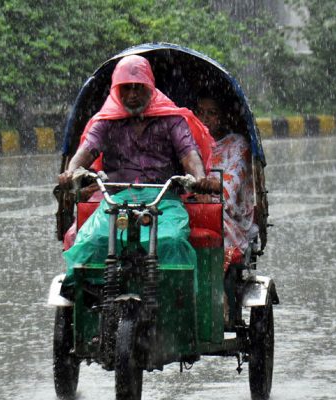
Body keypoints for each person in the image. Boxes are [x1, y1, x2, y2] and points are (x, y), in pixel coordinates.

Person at [58, 55, 217, 280]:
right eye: (126, 88)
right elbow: (84, 152)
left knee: (171, 241)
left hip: (164, 202)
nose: (132, 94)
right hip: (116, 203)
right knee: (91, 242)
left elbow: (189, 155)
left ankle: (177, 296)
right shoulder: (106, 122)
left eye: (138, 87)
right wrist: (71, 172)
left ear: (150, 88)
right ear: (117, 90)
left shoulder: (172, 120)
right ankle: (87, 295)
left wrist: (199, 177)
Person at [195, 94, 258, 269]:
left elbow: (231, 187)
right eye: (200, 112)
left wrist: (208, 187)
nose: (204, 118)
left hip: (228, 215)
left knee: (211, 218)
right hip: (194, 207)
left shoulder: (237, 145)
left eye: (212, 113)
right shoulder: (188, 143)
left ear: (223, 117)